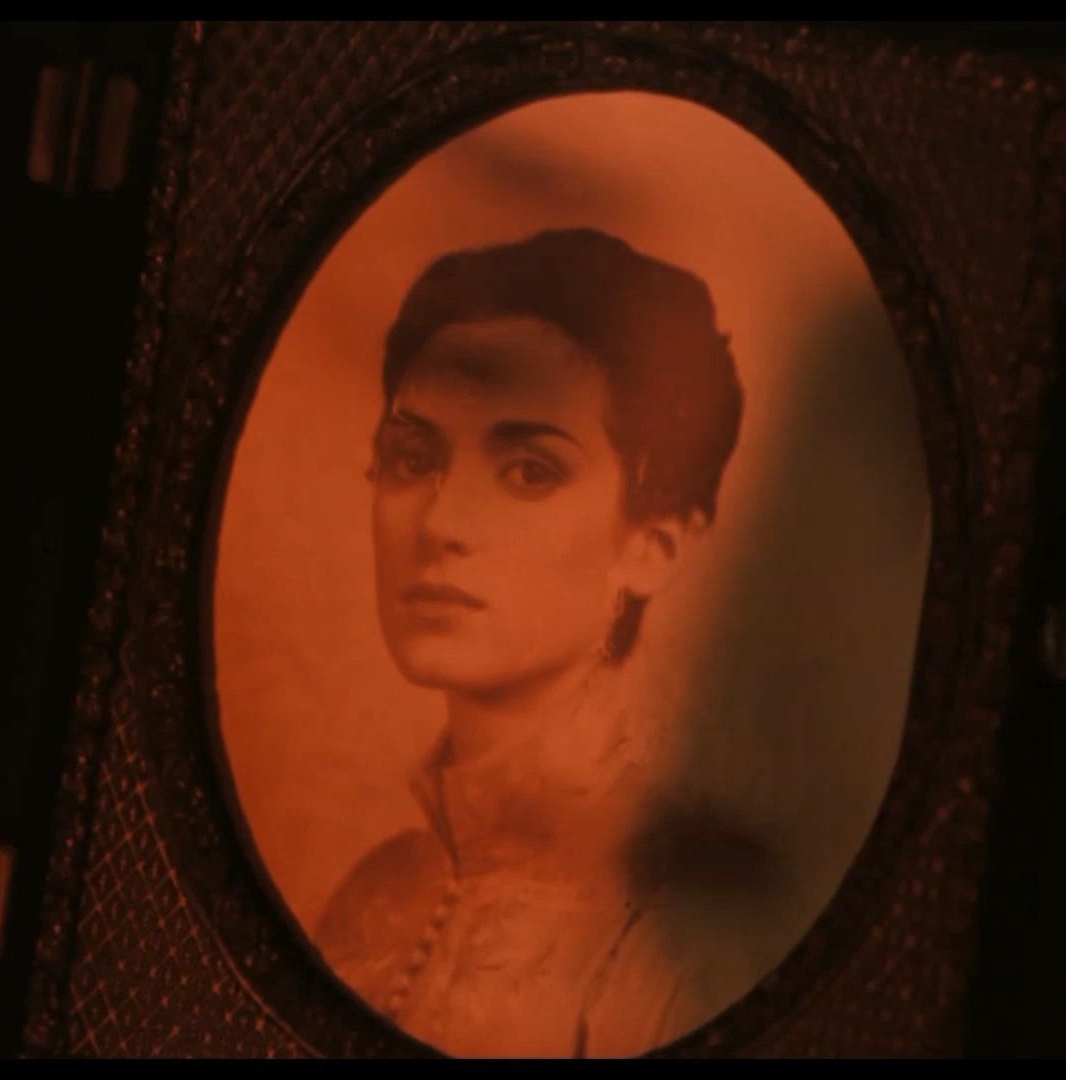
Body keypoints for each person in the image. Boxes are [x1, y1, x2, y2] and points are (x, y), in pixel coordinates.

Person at [312, 228, 788, 1058]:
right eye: (412, 456)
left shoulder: (682, 935)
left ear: (652, 546)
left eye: (530, 471)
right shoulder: (373, 898)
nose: (440, 521)